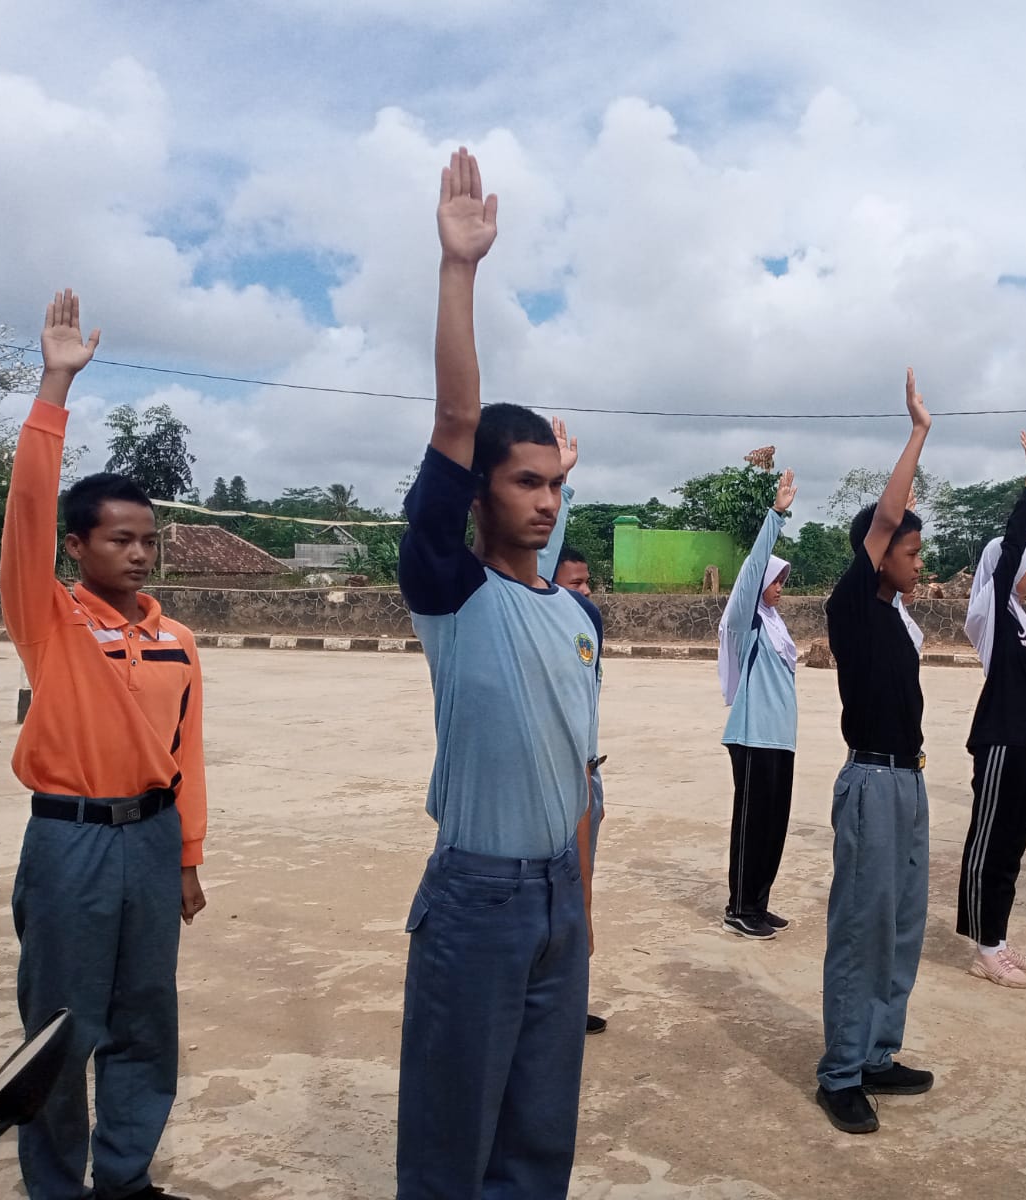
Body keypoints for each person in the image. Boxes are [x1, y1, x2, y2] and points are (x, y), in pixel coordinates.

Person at [395, 148, 602, 1199]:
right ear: (478, 495)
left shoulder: (578, 615)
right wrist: (458, 272)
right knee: (450, 1135)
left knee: (535, 1135)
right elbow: (451, 427)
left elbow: (576, 770)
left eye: (554, 483)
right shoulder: (451, 592)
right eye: (523, 481)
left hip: (558, 896)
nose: (543, 499)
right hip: (475, 897)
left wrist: (581, 896)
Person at [1, 289, 208, 1200]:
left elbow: (186, 753)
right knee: (59, 1024)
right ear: (77, 546)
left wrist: (188, 857)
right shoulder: (49, 622)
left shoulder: (177, 639)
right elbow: (25, 516)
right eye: (118, 540)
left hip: (152, 841)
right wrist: (55, 386)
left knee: (143, 1021)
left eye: (148, 540)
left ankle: (123, 1179)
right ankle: (56, 1186)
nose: (138, 555)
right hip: (70, 843)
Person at [816, 367, 934, 1136]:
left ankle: (878, 1053)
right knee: (861, 928)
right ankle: (840, 1072)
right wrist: (919, 434)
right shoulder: (853, 607)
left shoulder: (894, 617)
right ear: (880, 552)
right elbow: (888, 515)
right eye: (911, 552)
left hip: (911, 785)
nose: (918, 562)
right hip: (871, 783)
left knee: (900, 925)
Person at [957, 432, 1026, 988]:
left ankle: (999, 935)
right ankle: (984, 947)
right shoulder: (993, 614)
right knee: (989, 841)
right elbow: (1007, 555)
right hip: (997, 741)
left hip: (1024, 746)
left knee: (1013, 842)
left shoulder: (1025, 623)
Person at [538, 419, 610, 1037]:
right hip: (552, 783)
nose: (585, 593)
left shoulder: (586, 632)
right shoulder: (536, 622)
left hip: (587, 778)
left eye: (589, 583)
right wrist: (559, 479)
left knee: (580, 897)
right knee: (554, 898)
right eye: (573, 583)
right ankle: (547, 1003)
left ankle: (569, 997)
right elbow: (533, 564)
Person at [718, 468, 801, 939]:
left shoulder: (776, 626)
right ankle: (738, 906)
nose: (779, 588)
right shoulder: (748, 622)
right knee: (751, 826)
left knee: (773, 826)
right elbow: (751, 574)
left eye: (784, 582)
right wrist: (776, 516)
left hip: (779, 739)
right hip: (751, 736)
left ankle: (759, 902)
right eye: (777, 580)